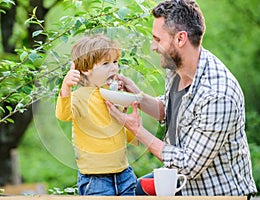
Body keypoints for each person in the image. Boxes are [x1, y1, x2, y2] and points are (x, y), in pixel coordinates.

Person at [106, 0, 257, 198]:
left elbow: (189, 165)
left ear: (180, 39)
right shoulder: (178, 68)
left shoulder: (218, 94)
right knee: (135, 189)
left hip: (219, 195)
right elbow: (169, 110)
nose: (153, 46)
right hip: (185, 185)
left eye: (157, 39)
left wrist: (137, 130)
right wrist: (135, 97)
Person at [55, 34, 138, 196]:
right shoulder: (80, 96)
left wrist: (128, 111)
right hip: (95, 178)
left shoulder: (114, 94)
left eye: (115, 62)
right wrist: (66, 88)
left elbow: (126, 133)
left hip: (124, 172)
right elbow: (63, 115)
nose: (114, 67)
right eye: (106, 63)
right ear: (86, 69)